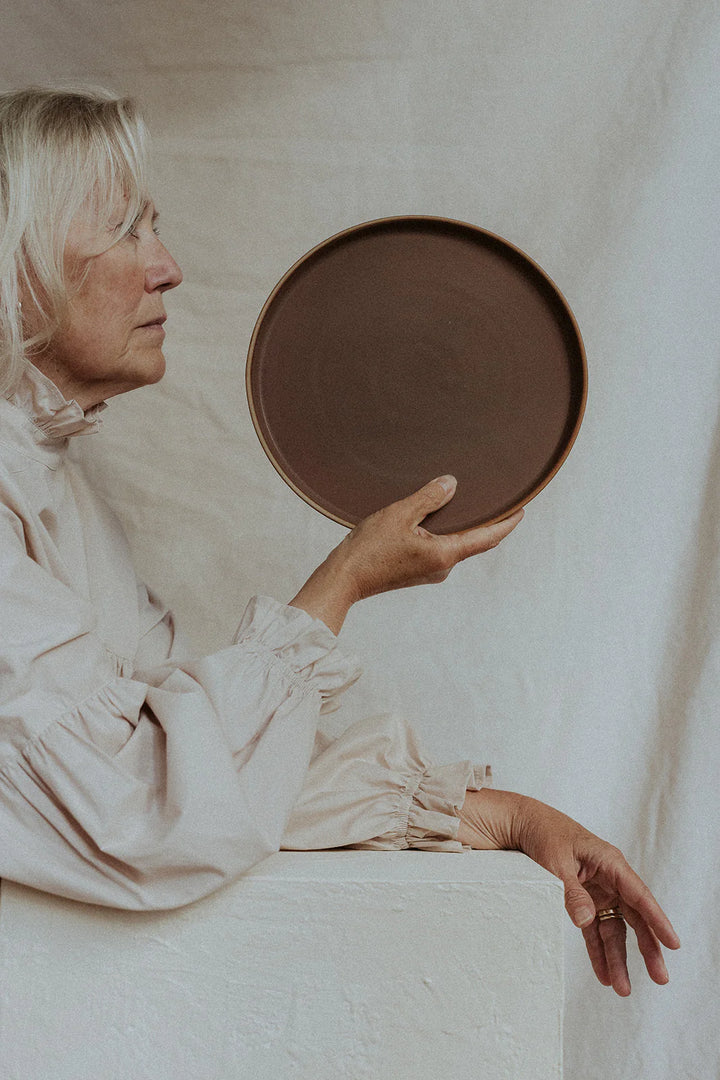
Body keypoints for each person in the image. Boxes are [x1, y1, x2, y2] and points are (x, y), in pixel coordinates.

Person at [0, 86, 678, 997]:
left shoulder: (49, 477)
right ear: (20, 265)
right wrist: (343, 583)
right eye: (126, 230)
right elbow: (145, 813)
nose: (167, 268)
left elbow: (217, 767)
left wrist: (506, 818)